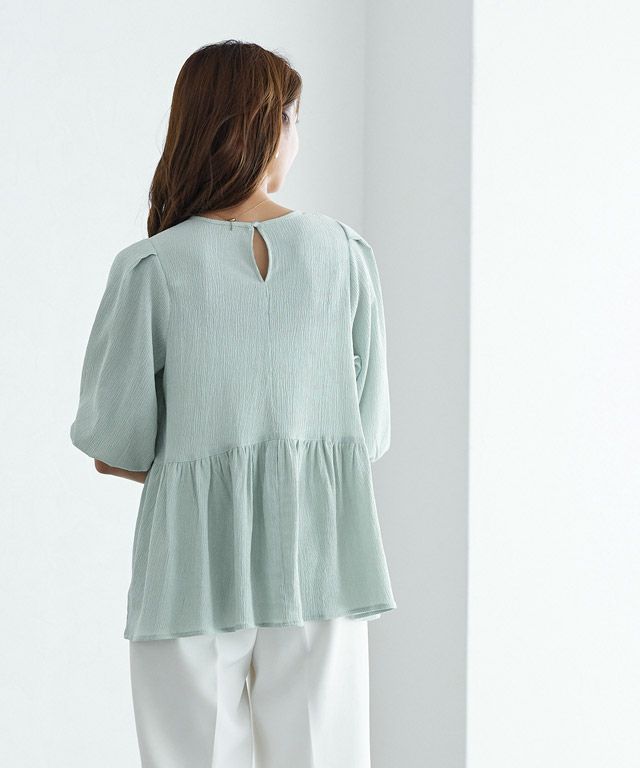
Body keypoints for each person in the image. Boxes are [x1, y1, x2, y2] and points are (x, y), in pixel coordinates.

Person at [69, 39, 397, 768]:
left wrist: (204, 463)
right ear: (270, 126)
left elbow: (113, 446)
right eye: (292, 117)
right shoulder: (344, 253)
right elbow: (365, 436)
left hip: (188, 566)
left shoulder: (151, 267)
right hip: (320, 556)